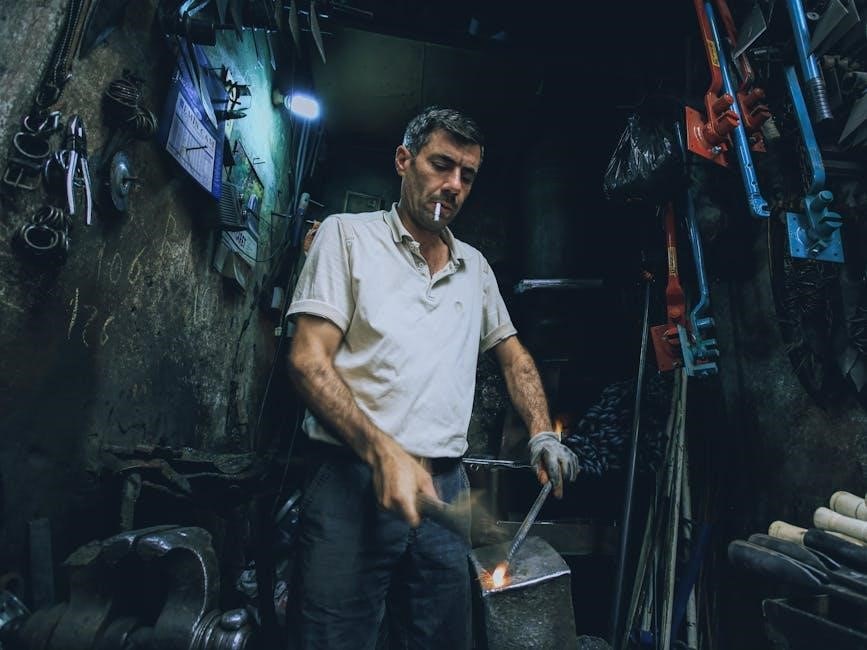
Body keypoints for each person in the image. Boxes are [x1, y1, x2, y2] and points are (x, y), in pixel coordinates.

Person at [286, 106, 580, 649]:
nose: (454, 185)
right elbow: (308, 360)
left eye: (467, 174)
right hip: (351, 482)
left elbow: (513, 356)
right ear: (404, 160)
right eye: (441, 165)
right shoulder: (346, 237)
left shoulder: (475, 267)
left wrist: (542, 431)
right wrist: (383, 452)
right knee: (333, 639)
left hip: (445, 490)